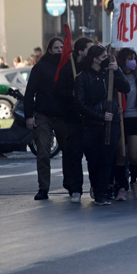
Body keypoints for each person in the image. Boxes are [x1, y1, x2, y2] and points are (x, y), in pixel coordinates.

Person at [75, 46, 130, 205]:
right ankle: (97, 189)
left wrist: (118, 70)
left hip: (111, 124)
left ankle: (103, 192)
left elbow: (126, 88)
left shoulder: (110, 74)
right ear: (95, 58)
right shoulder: (83, 77)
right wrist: (100, 115)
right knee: (94, 160)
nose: (107, 58)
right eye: (104, 56)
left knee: (108, 158)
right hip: (92, 125)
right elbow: (80, 103)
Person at [24, 37, 69, 200]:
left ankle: (71, 184)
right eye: (56, 47)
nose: (59, 50)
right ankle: (43, 188)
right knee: (43, 152)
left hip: (64, 116)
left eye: (61, 47)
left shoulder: (68, 67)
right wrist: (29, 116)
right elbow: (29, 93)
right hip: (43, 115)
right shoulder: (40, 67)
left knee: (69, 152)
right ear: (49, 50)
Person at [53, 36, 94, 202]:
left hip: (91, 118)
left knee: (94, 155)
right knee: (74, 155)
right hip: (73, 118)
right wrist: (71, 93)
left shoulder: (93, 67)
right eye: (89, 49)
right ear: (80, 51)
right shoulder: (68, 68)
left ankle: (95, 186)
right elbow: (57, 92)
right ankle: (76, 189)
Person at [113, 48, 137, 201]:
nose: (132, 61)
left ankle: (135, 182)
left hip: (134, 117)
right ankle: (121, 186)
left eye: (134, 58)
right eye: (129, 58)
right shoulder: (115, 76)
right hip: (120, 118)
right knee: (120, 155)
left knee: (134, 155)